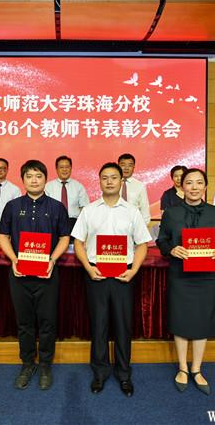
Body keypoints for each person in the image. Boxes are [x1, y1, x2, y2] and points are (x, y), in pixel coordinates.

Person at [71, 162, 151, 398]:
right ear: (99, 181)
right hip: (95, 274)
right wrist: (88, 268)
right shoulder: (89, 210)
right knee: (99, 325)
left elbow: (142, 244)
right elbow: (78, 242)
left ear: (121, 181)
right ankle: (100, 372)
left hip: (124, 275)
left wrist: (133, 270)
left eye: (114, 177)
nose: (109, 181)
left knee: (123, 326)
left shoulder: (132, 211)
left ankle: (124, 373)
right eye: (105, 177)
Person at [0, 159, 70, 391]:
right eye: (29, 176)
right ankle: (28, 363)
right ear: (23, 180)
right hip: (19, 273)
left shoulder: (57, 207)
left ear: (45, 179)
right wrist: (14, 259)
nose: (34, 180)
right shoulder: (12, 206)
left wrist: (52, 260)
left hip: (47, 273)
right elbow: (3, 236)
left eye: (38, 176)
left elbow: (64, 238)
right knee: (24, 322)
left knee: (48, 321)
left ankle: (46, 364)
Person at [156, 168, 215, 396]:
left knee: (202, 319)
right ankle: (182, 368)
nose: (194, 187)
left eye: (199, 183)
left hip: (206, 275)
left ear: (205, 186)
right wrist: (171, 249)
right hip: (180, 274)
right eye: (189, 182)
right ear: (181, 186)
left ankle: (197, 369)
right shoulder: (171, 213)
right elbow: (162, 240)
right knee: (181, 318)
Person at [45, 155, 90, 232]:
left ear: (71, 168)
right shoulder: (48, 186)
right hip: (53, 222)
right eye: (61, 167)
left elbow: (85, 207)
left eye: (67, 167)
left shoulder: (78, 186)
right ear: (56, 169)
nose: (64, 169)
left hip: (74, 223)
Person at [118, 153, 151, 224]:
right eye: (123, 165)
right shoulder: (111, 184)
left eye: (130, 165)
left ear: (133, 168)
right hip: (115, 224)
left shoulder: (140, 186)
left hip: (134, 225)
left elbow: (144, 210)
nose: (126, 168)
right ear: (118, 166)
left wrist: (141, 227)